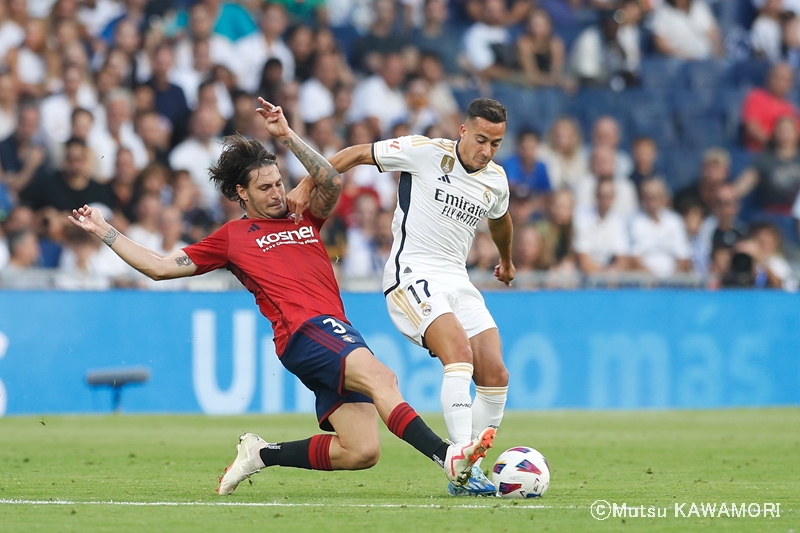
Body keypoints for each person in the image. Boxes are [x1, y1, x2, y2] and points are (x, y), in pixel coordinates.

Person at [67, 97, 494, 496]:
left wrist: (288, 137)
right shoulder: (232, 238)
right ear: (241, 194)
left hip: (335, 329)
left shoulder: (302, 215)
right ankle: (449, 457)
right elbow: (159, 267)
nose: (276, 193)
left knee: (362, 450)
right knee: (384, 379)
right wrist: (107, 231)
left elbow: (328, 177)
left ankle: (260, 454)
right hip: (304, 332)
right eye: (265, 188)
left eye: (278, 183)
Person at [289, 98, 514, 496]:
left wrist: (507, 261)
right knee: (458, 353)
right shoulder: (424, 153)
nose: (487, 151)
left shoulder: (495, 180)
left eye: (495, 144)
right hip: (411, 274)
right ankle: (458, 461)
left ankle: (468, 467)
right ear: (463, 131)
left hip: (456, 280)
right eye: (481, 140)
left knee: (495, 374)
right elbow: (357, 153)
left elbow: (501, 222)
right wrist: (308, 184)